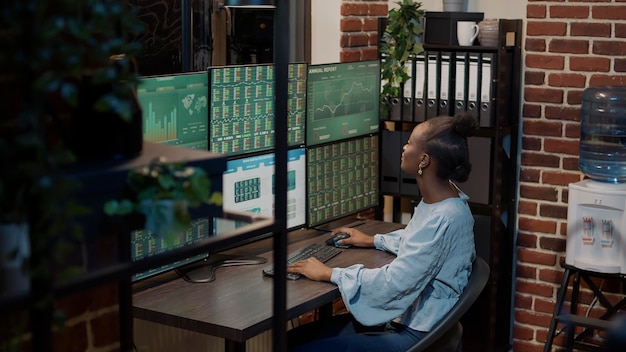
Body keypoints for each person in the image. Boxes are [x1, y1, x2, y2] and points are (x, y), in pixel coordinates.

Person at [286, 113, 479, 352]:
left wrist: (330, 273)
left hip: (416, 333)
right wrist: (372, 240)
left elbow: (394, 283)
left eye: (409, 143)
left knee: (295, 346)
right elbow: (424, 245)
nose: (403, 147)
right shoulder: (449, 199)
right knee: (294, 338)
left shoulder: (444, 217)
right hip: (423, 322)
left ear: (424, 160)